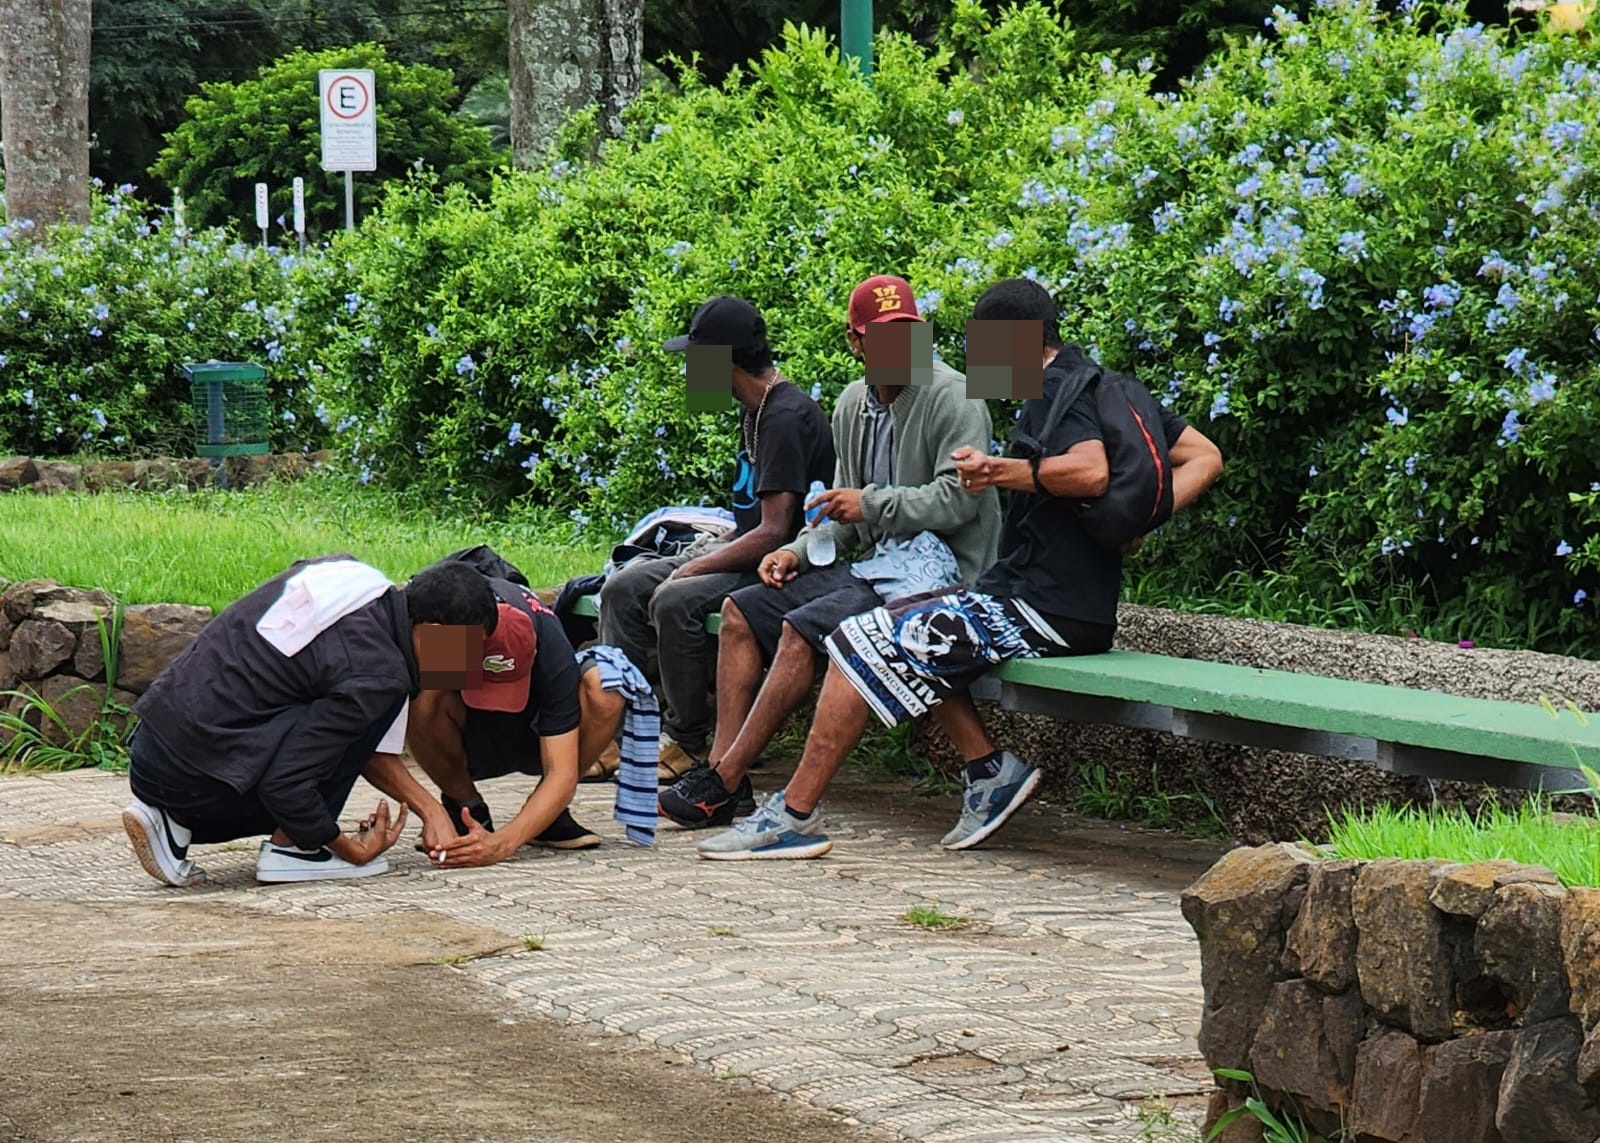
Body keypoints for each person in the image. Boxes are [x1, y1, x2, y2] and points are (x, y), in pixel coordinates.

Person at [696, 278, 1226, 860]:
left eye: (980, 347)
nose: (976, 363)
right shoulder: (1098, 383)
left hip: (1045, 608)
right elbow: (1204, 455)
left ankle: (793, 815)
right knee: (906, 623)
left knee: (860, 638)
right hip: (1047, 599)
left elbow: (1091, 471)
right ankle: (988, 771)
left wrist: (1003, 473)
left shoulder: (1053, 390)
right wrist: (1137, 519)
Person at [659, 274, 1002, 829]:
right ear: (855, 341)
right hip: (873, 567)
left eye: (907, 334)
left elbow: (957, 501)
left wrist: (867, 506)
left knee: (805, 629)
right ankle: (725, 770)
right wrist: (796, 549)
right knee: (741, 612)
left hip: (943, 575)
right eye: (882, 336)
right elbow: (839, 515)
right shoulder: (850, 404)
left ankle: (723, 782)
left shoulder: (955, 395)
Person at [121, 556, 499, 887]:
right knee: (368, 710)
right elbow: (285, 785)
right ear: (432, 633)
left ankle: (172, 823)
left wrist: (430, 809)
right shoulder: (379, 676)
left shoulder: (349, 577)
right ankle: (296, 851)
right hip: (198, 779)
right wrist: (348, 847)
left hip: (155, 755)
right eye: (468, 648)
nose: (467, 667)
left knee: (334, 711)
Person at [598, 296, 835, 782]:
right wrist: (703, 549)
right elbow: (749, 520)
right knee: (621, 587)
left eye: (694, 357)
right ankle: (624, 736)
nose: (689, 369)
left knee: (676, 599)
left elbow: (775, 531)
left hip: (786, 563)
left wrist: (694, 568)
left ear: (724, 360)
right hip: (751, 547)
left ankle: (685, 739)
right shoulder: (754, 411)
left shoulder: (785, 415)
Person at [405, 570, 660, 867]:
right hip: (466, 730)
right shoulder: (447, 621)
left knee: (605, 687)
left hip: (533, 731)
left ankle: (547, 814)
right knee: (422, 699)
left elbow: (561, 773)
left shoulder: (550, 650)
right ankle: (465, 806)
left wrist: (501, 844)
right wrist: (430, 811)